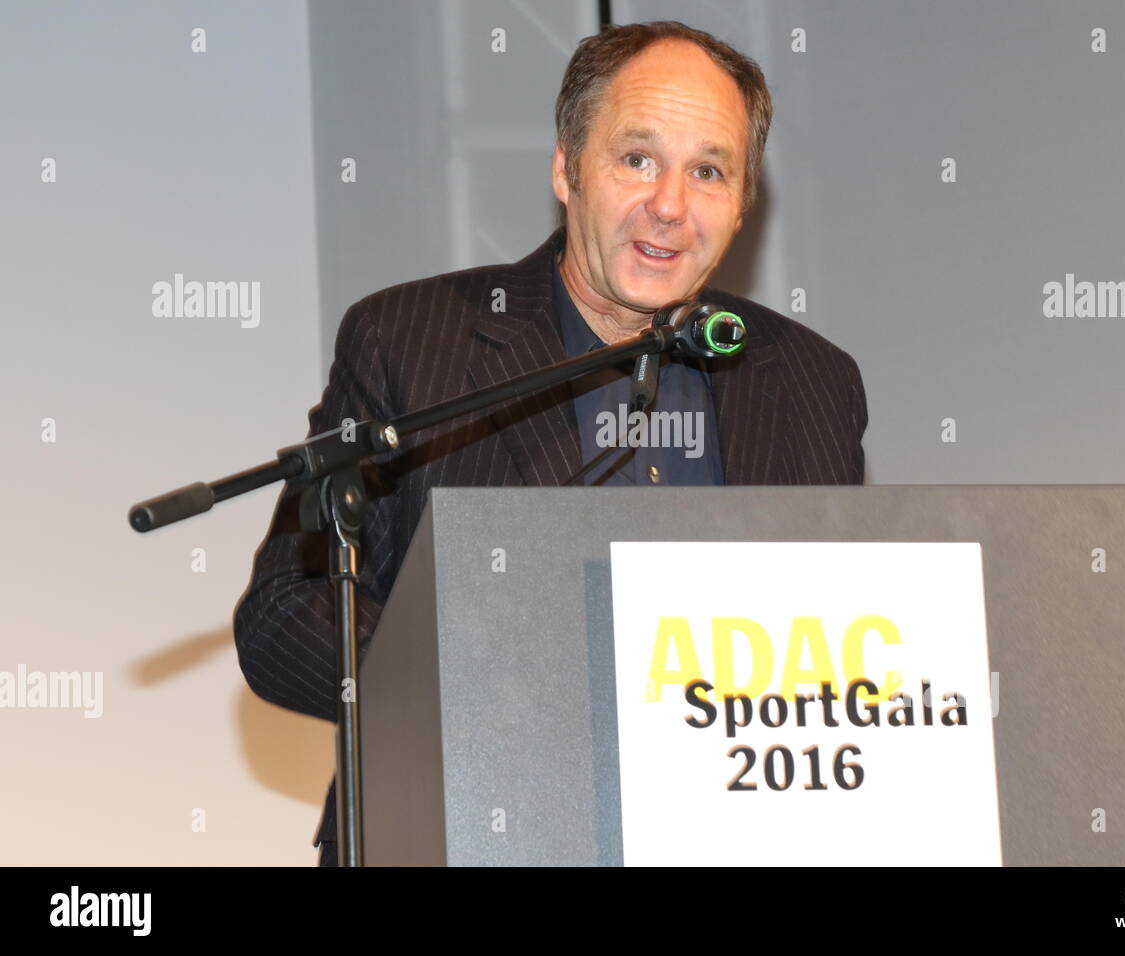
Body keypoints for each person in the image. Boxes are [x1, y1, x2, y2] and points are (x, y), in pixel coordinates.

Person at [232, 20, 867, 867]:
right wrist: (504, 698)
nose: (670, 205)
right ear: (567, 168)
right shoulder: (415, 341)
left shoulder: (813, 381)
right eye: (637, 159)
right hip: (468, 834)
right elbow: (285, 619)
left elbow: (850, 645)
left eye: (708, 171)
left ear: (743, 201)